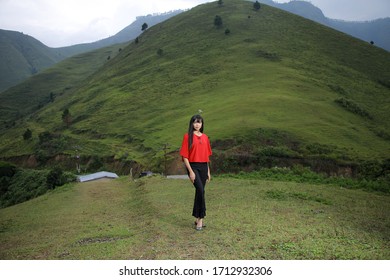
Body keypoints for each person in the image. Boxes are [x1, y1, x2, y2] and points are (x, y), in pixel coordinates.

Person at [180, 114, 212, 231]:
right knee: (200, 190)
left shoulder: (205, 137)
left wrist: (208, 171)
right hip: (193, 167)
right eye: (195, 122)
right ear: (192, 124)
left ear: (202, 124)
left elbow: (207, 156)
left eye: (199, 122)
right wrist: (191, 172)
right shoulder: (187, 137)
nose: (197, 124)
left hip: (204, 167)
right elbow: (184, 156)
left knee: (200, 192)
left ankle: (197, 218)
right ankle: (201, 219)